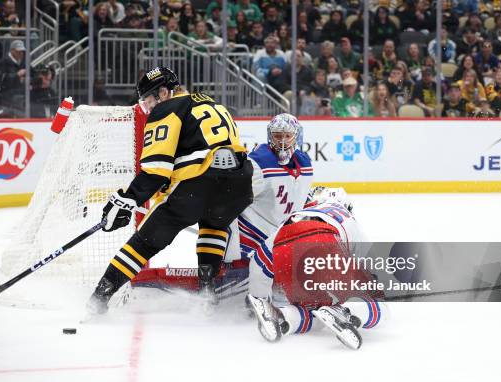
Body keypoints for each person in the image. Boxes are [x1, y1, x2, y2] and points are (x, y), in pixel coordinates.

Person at [87, 67, 253, 314]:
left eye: (149, 100)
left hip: (198, 185)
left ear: (164, 92)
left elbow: (156, 170)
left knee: (144, 242)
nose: (148, 107)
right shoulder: (214, 105)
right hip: (238, 186)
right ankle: (207, 295)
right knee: (214, 224)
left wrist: (127, 199)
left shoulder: (168, 108)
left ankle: (98, 300)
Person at [247, 187, 383, 347]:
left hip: (285, 245)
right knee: (378, 305)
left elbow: (259, 260)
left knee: (313, 310)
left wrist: (259, 297)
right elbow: (371, 262)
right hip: (323, 239)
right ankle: (345, 312)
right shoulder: (346, 216)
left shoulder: (294, 216)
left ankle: (280, 316)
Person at [224, 114, 313, 301]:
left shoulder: (304, 163)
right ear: (269, 136)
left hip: (280, 237)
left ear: (297, 137)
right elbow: (232, 200)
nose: (282, 141)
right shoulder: (259, 162)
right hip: (253, 238)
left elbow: (296, 196)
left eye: (287, 136)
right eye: (277, 136)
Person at [0, 40, 26, 117]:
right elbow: (0, 80)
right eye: (18, 51)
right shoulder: (3, 62)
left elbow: (32, 73)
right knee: (7, 118)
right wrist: (17, 75)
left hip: (20, 96)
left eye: (22, 51)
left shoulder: (24, 62)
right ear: (12, 50)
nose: (21, 53)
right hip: (6, 96)